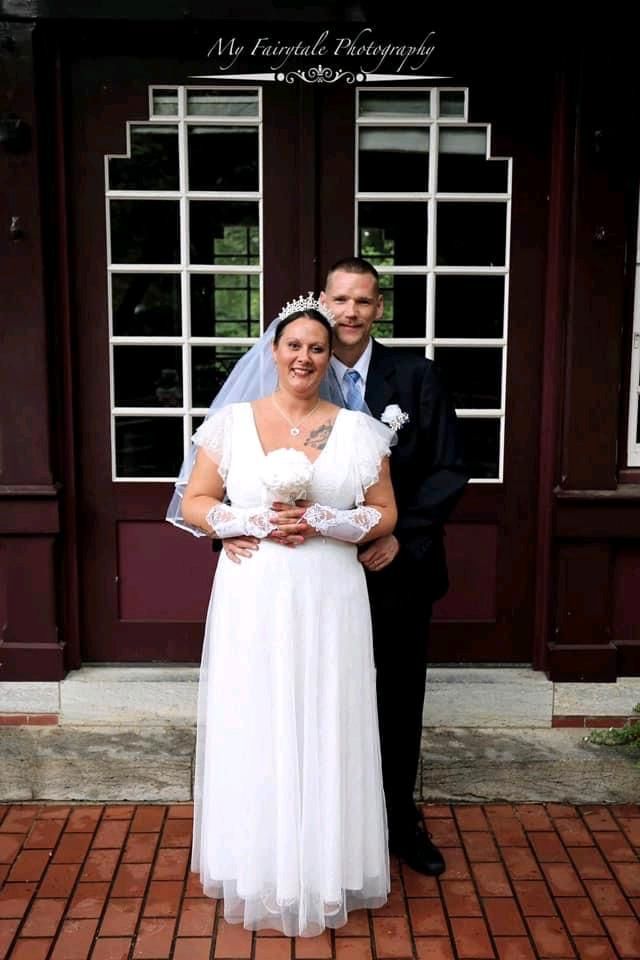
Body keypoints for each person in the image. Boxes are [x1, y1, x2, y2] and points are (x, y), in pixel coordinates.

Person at [171, 296, 398, 937]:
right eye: (293, 345)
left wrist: (331, 522)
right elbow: (195, 500)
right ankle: (259, 861)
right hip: (254, 588)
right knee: (258, 713)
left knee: (327, 712)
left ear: (330, 359)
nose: (304, 357)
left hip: (329, 590)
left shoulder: (356, 431)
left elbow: (385, 512)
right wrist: (244, 521)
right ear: (272, 350)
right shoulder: (231, 423)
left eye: (317, 348)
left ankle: (326, 865)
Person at [320, 257, 470, 877]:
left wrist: (398, 536)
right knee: (326, 697)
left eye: (362, 301)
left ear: (378, 307)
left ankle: (400, 819)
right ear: (322, 301)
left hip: (398, 568)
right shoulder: (299, 371)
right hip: (320, 572)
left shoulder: (417, 377)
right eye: (340, 300)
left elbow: (449, 469)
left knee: (397, 695)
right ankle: (330, 822)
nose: (349, 313)